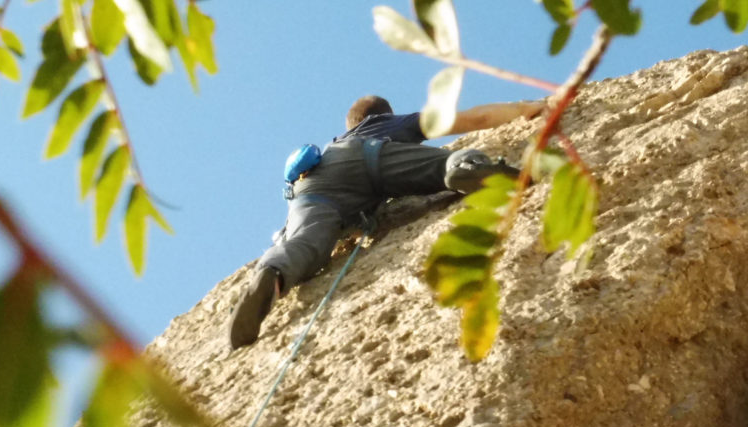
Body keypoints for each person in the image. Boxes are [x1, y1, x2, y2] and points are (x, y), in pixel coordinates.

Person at [228, 95, 545, 349]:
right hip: (370, 156)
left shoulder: (327, 150)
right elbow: (477, 119)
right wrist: (525, 108)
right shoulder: (389, 123)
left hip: (313, 187)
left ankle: (274, 274)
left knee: (305, 243)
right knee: (443, 164)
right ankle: (465, 168)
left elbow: (289, 227)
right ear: (383, 113)